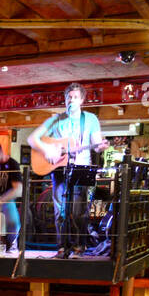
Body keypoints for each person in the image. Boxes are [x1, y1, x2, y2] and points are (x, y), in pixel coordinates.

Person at [27, 83, 107, 257]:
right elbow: (32, 138)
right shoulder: (56, 119)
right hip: (60, 170)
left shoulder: (90, 119)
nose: (71, 100)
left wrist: (101, 146)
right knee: (60, 211)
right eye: (69, 97)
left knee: (79, 212)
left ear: (82, 100)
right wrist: (47, 150)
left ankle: (79, 247)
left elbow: (96, 145)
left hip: (82, 168)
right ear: (65, 99)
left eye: (75, 97)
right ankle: (62, 248)